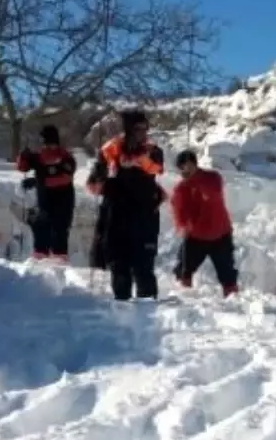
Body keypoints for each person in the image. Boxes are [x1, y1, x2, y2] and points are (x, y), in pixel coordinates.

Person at [85, 110, 167, 300]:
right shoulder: (109, 150)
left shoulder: (153, 150)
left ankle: (147, 308)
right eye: (138, 128)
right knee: (118, 263)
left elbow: (156, 168)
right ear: (128, 129)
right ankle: (122, 308)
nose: (143, 132)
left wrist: (137, 159)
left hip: (144, 213)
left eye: (145, 128)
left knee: (143, 265)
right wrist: (100, 177)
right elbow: (93, 185)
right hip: (116, 213)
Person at [170, 150, 239, 297]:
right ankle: (183, 300)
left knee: (228, 275)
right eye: (180, 168)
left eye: (186, 167)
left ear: (194, 164)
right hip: (196, 237)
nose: (183, 171)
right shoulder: (181, 188)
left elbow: (212, 194)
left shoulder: (213, 177)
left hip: (221, 234)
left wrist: (195, 181)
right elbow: (179, 214)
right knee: (183, 271)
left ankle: (233, 303)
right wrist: (184, 226)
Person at [17, 125, 77, 262]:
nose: (49, 147)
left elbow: (65, 178)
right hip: (44, 198)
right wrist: (23, 157)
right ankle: (40, 256)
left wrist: (39, 181)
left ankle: (59, 259)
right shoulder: (38, 156)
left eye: (51, 144)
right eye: (46, 144)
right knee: (41, 225)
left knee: (60, 228)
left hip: (64, 198)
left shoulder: (66, 156)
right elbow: (22, 167)